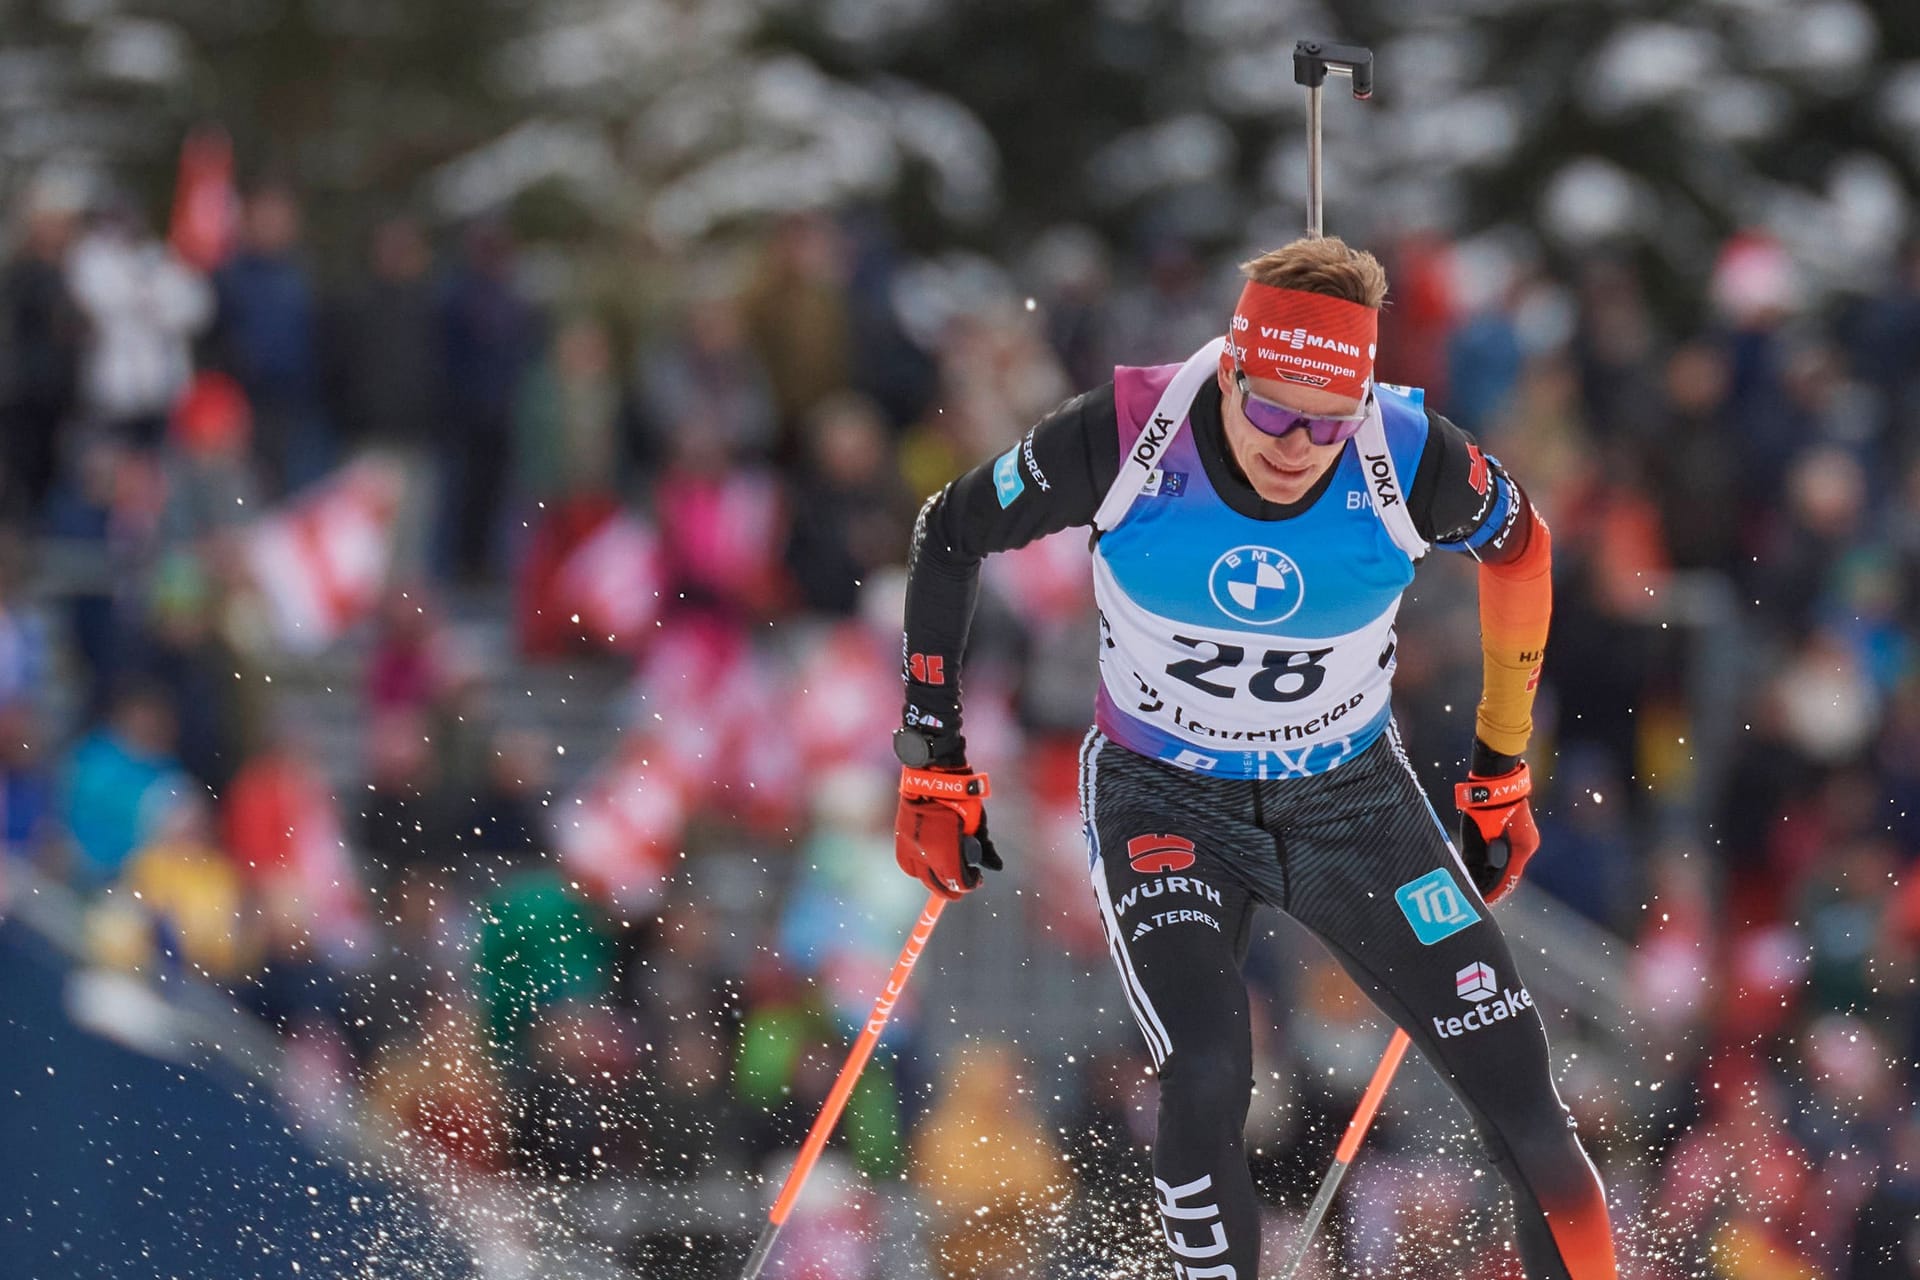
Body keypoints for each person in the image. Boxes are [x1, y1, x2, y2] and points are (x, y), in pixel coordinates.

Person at [890, 236, 1617, 1280]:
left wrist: (1500, 765)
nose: (1295, 444)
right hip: (1166, 797)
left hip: (1350, 798)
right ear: (1231, 368)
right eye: (1272, 409)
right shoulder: (1130, 433)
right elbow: (946, 531)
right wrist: (932, 758)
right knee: (1208, 1074)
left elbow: (1524, 548)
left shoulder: (1407, 452)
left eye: (1327, 423)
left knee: (1523, 1093)